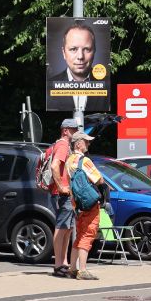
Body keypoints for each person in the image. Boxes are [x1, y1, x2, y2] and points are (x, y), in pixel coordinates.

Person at [66, 130, 106, 280]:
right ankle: (82, 270)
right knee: (88, 234)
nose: (88, 143)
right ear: (78, 144)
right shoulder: (84, 161)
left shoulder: (69, 160)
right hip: (90, 203)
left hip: (77, 204)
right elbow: (99, 179)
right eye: (86, 141)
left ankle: (72, 268)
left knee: (80, 235)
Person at [47, 22, 106, 112]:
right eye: (73, 49)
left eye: (86, 49)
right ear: (63, 53)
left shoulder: (106, 86)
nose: (80, 56)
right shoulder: (50, 86)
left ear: (94, 51)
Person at [49, 120, 78, 278]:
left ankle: (64, 262)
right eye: (73, 130)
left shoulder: (64, 145)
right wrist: (61, 187)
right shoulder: (62, 145)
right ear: (65, 130)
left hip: (66, 193)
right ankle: (58, 265)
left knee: (67, 228)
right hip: (62, 193)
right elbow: (54, 166)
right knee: (61, 228)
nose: (75, 132)